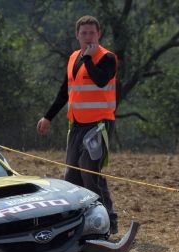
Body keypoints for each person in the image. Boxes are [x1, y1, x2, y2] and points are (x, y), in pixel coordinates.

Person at [36, 15, 118, 234]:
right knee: (72, 177)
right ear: (77, 35)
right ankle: (78, 221)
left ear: (98, 34)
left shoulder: (107, 58)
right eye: (84, 33)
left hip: (99, 126)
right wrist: (48, 117)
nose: (88, 37)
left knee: (90, 172)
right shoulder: (73, 58)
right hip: (77, 125)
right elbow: (65, 92)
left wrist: (89, 59)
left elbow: (101, 81)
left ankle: (108, 220)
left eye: (92, 33)